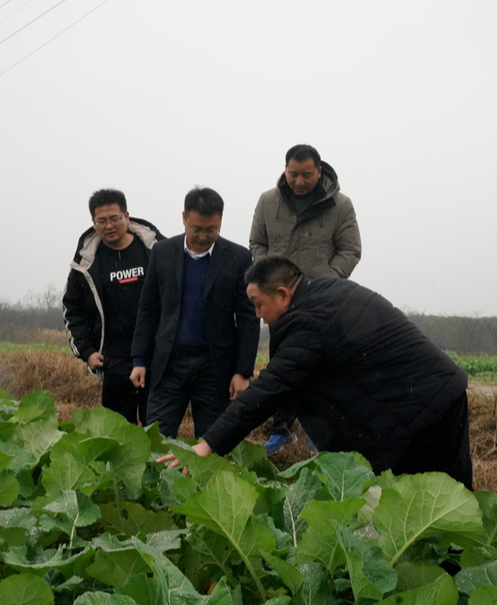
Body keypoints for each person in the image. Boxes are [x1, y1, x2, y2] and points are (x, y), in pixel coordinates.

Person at [160, 256, 473, 485]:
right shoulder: (322, 292)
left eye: (258, 304)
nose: (257, 314)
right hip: (432, 397)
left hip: (425, 411)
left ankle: (455, 571)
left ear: (282, 294)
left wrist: (208, 444)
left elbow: (268, 390)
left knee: (436, 504)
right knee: (435, 502)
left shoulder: (308, 326)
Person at [249, 144, 362, 452]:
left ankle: (319, 433)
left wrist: (326, 281)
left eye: (307, 175)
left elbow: (351, 250)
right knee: (282, 366)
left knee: (322, 368)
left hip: (321, 304)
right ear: (285, 170)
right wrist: (268, 273)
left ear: (319, 171)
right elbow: (257, 242)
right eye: (293, 174)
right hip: (279, 302)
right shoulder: (267, 202)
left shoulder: (340, 205)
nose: (299, 181)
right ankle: (282, 429)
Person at [130, 187, 260, 438]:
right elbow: (148, 309)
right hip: (169, 363)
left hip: (215, 367)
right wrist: (139, 360)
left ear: (220, 221)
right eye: (197, 229)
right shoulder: (162, 252)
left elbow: (248, 318)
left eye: (211, 230)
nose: (203, 236)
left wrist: (243, 371)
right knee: (156, 439)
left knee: (211, 443)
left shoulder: (238, 257)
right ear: (184, 218)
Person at [62, 189, 165, 425]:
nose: (109, 226)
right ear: (93, 222)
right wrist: (87, 351)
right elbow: (72, 310)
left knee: (158, 431)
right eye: (102, 221)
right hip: (113, 358)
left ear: (126, 216)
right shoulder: (86, 263)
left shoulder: (155, 250)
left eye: (114, 218)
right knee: (118, 434)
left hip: (156, 352)